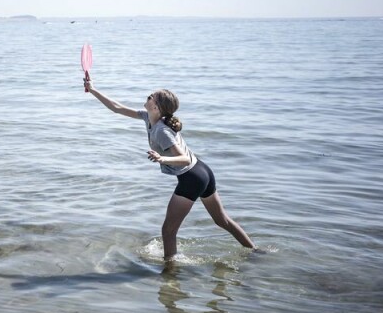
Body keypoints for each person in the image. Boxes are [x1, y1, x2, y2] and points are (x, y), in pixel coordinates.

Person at [84, 80, 255, 263]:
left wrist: (162, 158)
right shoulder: (147, 117)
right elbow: (117, 108)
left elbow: (184, 159)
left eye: (151, 97)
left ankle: (170, 273)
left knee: (168, 230)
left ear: (156, 107)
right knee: (222, 221)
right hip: (203, 171)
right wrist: (93, 89)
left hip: (192, 178)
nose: (147, 97)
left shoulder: (161, 131)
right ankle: (254, 251)